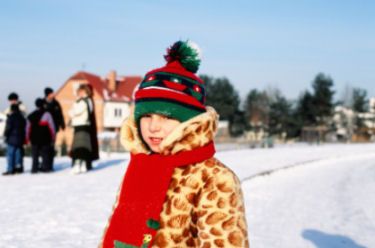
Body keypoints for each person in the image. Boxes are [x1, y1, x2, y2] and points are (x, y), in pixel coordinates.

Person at [99, 41, 249, 248]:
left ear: (189, 123)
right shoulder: (140, 166)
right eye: (147, 116)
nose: (153, 127)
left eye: (167, 118)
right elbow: (114, 232)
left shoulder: (214, 178)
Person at [69, 84, 99, 174]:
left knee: (81, 146)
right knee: (81, 146)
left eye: (81, 92)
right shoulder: (83, 101)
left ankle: (81, 164)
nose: (79, 94)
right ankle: (82, 164)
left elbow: (74, 112)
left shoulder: (84, 101)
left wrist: (72, 112)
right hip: (80, 125)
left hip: (82, 125)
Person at [26, 98, 56, 173]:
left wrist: (27, 139)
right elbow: (52, 127)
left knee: (35, 155)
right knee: (45, 154)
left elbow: (27, 129)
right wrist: (53, 137)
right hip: (45, 138)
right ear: (44, 105)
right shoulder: (47, 114)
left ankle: (34, 169)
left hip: (34, 139)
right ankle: (45, 168)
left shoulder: (31, 115)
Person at [44, 87, 65, 171]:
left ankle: (50, 165)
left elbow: (60, 115)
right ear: (47, 94)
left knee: (51, 146)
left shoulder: (56, 103)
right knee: (44, 147)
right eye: (51, 93)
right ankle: (44, 164)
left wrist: (62, 124)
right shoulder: (43, 103)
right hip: (44, 129)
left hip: (54, 128)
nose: (53, 94)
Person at [3, 104, 26, 175]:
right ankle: (17, 168)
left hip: (12, 139)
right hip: (20, 139)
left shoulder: (11, 117)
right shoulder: (22, 117)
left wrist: (5, 135)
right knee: (18, 154)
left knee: (10, 154)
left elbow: (8, 128)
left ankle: (10, 169)